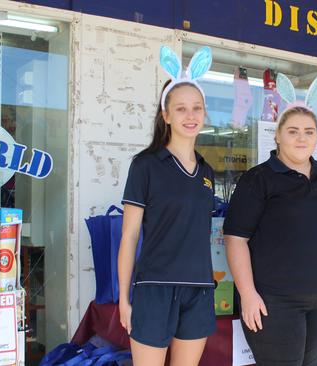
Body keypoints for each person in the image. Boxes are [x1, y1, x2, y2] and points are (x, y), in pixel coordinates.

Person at [224, 74, 317, 366]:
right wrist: (248, 294)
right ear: (277, 135)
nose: (301, 138)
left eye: (309, 131)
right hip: (276, 302)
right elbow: (235, 239)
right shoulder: (259, 179)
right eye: (292, 131)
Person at [117, 46, 215, 366]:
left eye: (197, 108)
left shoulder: (206, 171)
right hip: (154, 287)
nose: (190, 116)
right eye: (181, 108)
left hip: (199, 289)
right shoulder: (146, 165)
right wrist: (123, 297)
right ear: (166, 114)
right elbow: (129, 236)